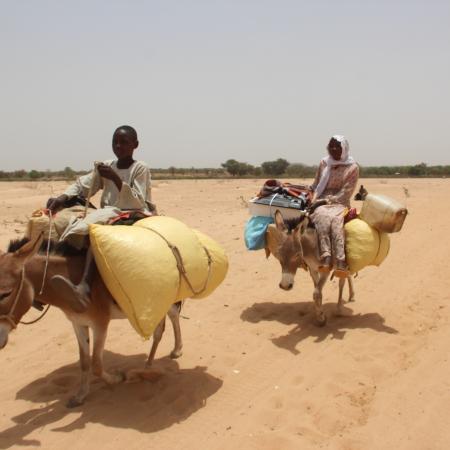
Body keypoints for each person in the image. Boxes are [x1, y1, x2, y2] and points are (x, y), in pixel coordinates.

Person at [47, 125, 153, 312]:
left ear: (135, 145)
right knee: (63, 222)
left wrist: (115, 179)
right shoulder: (107, 165)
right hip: (108, 212)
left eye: (124, 142)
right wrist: (61, 198)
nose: (118, 146)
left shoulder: (140, 168)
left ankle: (85, 285)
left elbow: (137, 199)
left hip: (131, 212)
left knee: (92, 231)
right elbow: (84, 185)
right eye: (115, 142)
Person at [309, 135, 359, 278]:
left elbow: (346, 192)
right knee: (320, 217)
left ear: (344, 148)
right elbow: (316, 184)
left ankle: (341, 261)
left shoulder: (353, 167)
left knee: (336, 221)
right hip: (320, 200)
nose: (333, 149)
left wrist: (327, 201)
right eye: (331, 146)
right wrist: (309, 193)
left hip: (340, 202)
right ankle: (325, 256)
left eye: (337, 146)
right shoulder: (324, 163)